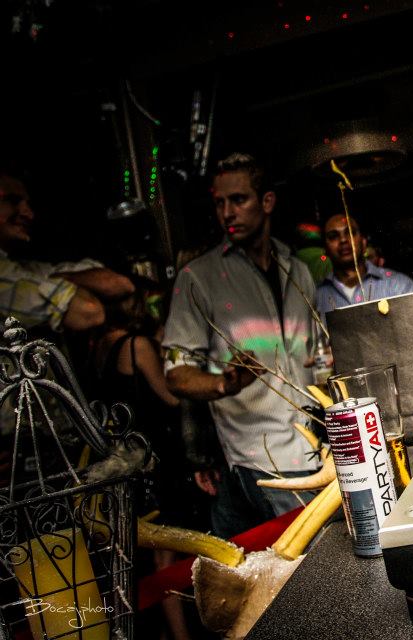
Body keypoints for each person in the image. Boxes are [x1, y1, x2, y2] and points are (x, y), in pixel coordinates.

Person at [162, 153, 318, 538]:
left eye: (239, 200)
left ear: (267, 201)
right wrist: (223, 383)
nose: (227, 213)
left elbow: (314, 352)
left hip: (316, 448)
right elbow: (176, 374)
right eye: (220, 203)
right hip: (259, 458)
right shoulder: (199, 278)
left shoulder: (296, 269)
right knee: (296, 561)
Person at [91, 281, 193, 640]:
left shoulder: (101, 346)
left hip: (125, 461)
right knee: (165, 555)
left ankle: (163, 632)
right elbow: (171, 396)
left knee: (143, 554)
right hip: (151, 460)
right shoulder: (137, 345)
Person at [1, 171, 134, 332]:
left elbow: (118, 284)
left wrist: (60, 278)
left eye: (27, 204)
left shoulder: (23, 269)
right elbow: (89, 311)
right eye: (13, 201)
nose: (29, 214)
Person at [314, 213, 413, 313]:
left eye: (350, 232)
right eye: (333, 236)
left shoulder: (399, 286)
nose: (343, 240)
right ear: (325, 249)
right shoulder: (317, 297)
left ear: (363, 241)